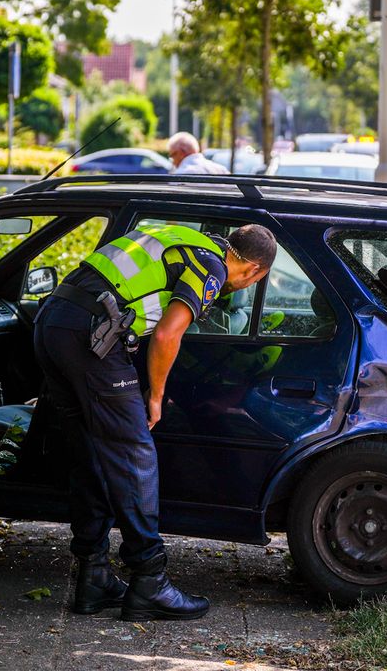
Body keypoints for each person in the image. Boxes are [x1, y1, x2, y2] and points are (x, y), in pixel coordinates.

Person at [33, 222, 277, 621]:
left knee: (91, 453)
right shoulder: (211, 266)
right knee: (136, 457)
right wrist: (156, 397)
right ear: (254, 270)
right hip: (93, 336)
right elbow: (167, 335)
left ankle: (94, 576)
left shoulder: (184, 239)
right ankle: (150, 580)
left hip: (53, 324)